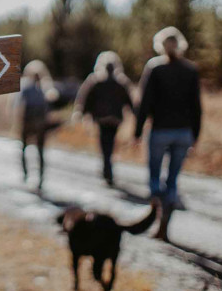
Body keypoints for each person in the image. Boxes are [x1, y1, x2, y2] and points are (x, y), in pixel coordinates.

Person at [135, 27, 202, 242]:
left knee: (155, 177)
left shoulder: (155, 68)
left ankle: (156, 208)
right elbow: (196, 106)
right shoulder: (190, 70)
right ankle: (165, 220)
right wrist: (196, 134)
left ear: (160, 46)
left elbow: (144, 103)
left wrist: (137, 131)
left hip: (160, 130)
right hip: (183, 132)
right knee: (172, 180)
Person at [73, 51, 135, 186]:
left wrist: (82, 113)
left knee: (105, 144)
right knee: (109, 144)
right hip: (115, 119)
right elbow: (129, 101)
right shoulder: (120, 82)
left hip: (102, 119)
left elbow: (85, 100)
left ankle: (107, 168)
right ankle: (107, 167)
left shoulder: (96, 81)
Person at [16, 60, 58, 190]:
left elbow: (19, 105)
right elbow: (50, 104)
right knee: (40, 151)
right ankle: (39, 178)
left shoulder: (26, 87)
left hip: (28, 121)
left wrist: (18, 120)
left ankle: (26, 174)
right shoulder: (46, 87)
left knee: (24, 148)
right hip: (40, 123)